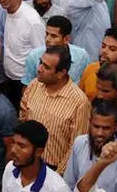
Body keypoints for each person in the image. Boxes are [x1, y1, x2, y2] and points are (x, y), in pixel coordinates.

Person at [19, 46, 91, 174]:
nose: (39, 69)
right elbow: (23, 120)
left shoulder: (79, 102)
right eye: (40, 62)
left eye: (46, 67)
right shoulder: (34, 85)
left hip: (54, 170)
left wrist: (58, 175)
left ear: (61, 73)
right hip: (27, 163)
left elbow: (75, 147)